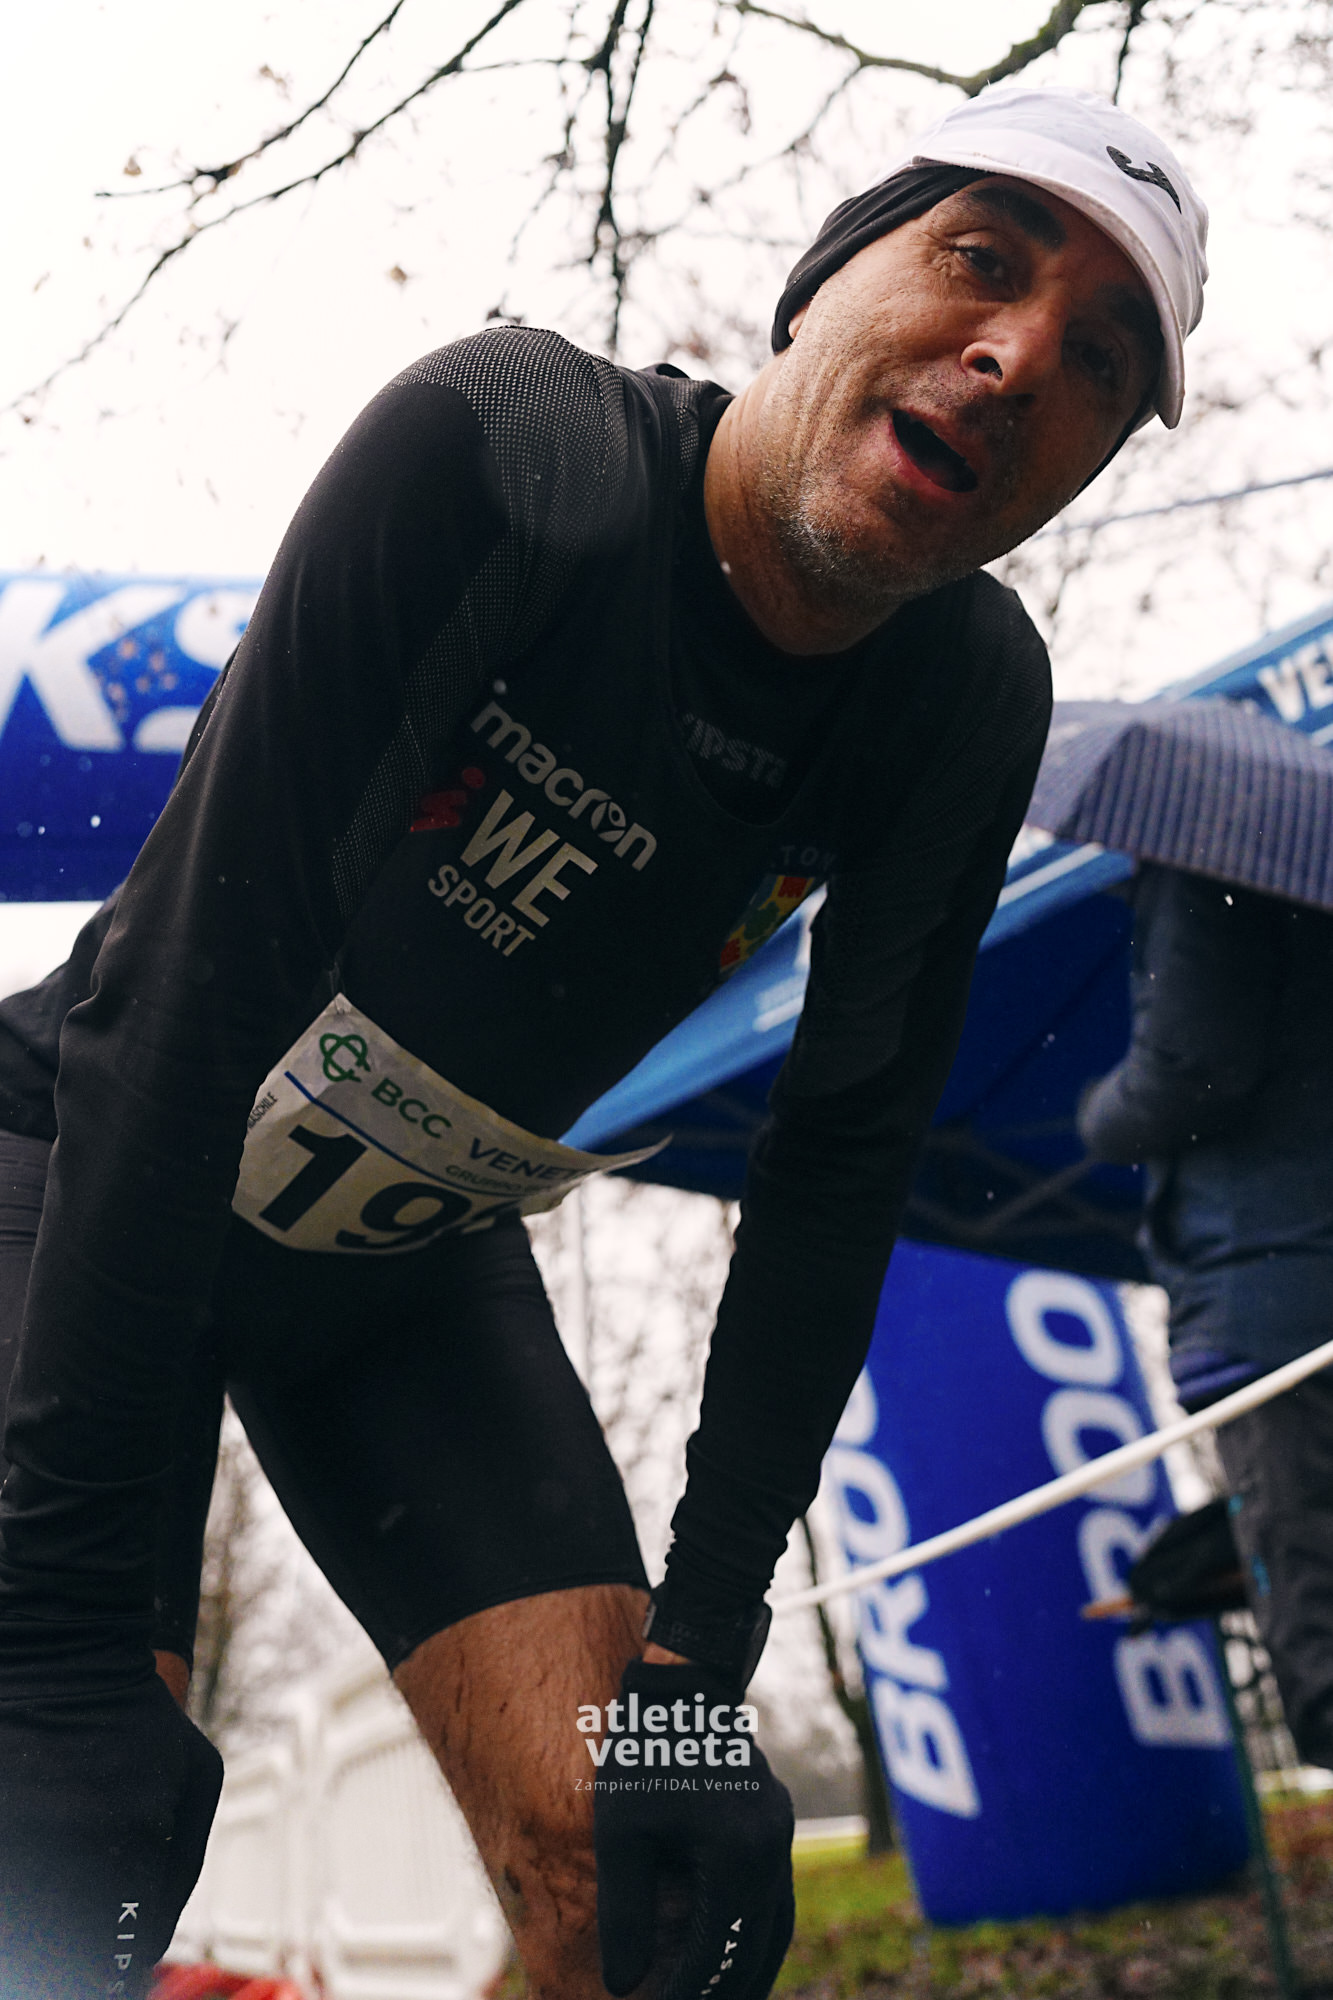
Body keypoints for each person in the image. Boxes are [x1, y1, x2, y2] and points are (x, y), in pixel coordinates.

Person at [0, 85, 1206, 1999]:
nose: (1015, 356)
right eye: (979, 258)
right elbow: (182, 996)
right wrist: (60, 1637)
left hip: (392, 1272)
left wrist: (696, 1665)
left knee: (658, 1894)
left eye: (1100, 364)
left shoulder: (961, 699)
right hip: (79, 1168)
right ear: (824, 280)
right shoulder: (512, 456)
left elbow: (835, 1171)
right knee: (49, 1874)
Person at [1079, 863, 1333, 1770]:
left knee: (1318, 1634)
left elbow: (1187, 1070)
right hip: (1289, 1294)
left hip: (1271, 1308)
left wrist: (1096, 1113)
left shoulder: (1214, 861)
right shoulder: (1293, 853)